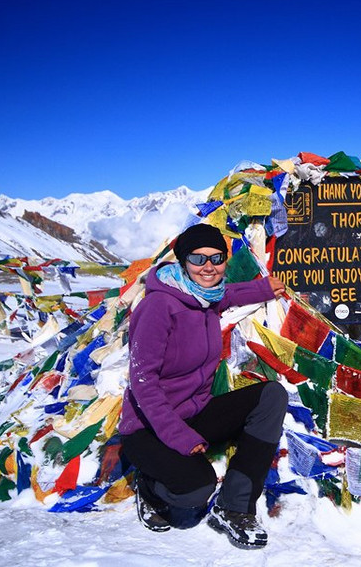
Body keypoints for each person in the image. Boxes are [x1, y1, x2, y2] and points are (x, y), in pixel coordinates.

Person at [119, 223, 287, 549]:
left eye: (216, 258)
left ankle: (234, 507)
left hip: (195, 412)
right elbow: (143, 382)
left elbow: (229, 294)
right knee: (196, 490)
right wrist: (178, 436)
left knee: (271, 396)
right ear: (183, 262)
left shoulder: (206, 297)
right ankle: (150, 486)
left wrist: (266, 288)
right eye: (198, 258)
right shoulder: (158, 307)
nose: (208, 266)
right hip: (149, 426)